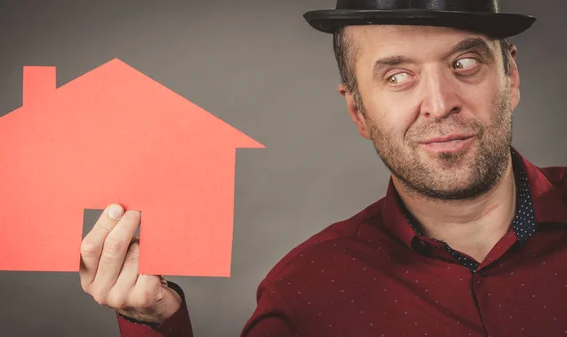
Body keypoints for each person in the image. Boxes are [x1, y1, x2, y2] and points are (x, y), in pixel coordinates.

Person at [79, 0, 567, 336]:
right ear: (359, 112)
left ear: (512, 77)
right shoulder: (302, 293)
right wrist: (152, 321)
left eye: (464, 63)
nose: (439, 104)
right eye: (398, 76)